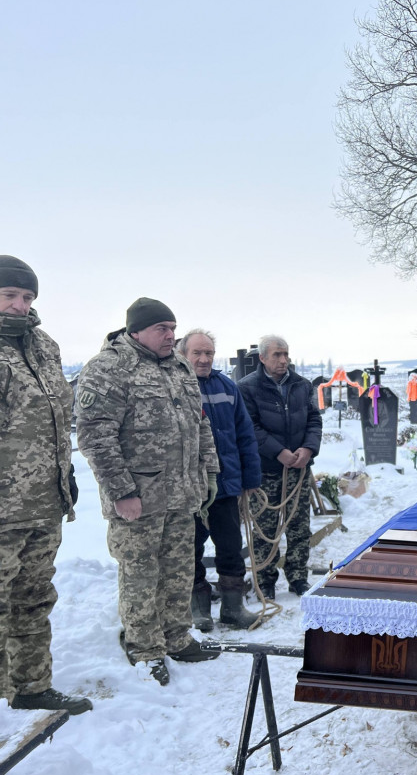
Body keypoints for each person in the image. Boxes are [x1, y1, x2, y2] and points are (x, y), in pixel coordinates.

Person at [78, 298, 221, 686]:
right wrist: (122, 491)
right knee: (141, 572)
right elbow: (95, 436)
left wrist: (208, 471)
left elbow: (199, 424)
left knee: (178, 569)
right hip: (138, 498)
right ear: (136, 330)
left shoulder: (178, 367)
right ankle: (144, 647)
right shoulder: (109, 367)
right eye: (162, 328)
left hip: (180, 493)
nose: (171, 335)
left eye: (173, 328)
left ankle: (176, 636)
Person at [0, 257, 92, 714]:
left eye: (28, 297)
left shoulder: (43, 345)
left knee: (34, 600)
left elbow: (58, 420)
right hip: (2, 511)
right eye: (10, 296)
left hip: (43, 504)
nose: (20, 306)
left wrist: (66, 475)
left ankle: (31, 687)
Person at [177, 330, 261, 630]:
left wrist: (250, 478)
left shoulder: (227, 386)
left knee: (230, 545)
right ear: (183, 353)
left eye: (209, 353)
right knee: (190, 548)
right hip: (190, 488)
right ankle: (197, 610)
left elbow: (244, 434)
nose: (203, 359)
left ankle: (232, 608)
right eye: (197, 353)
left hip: (226, 485)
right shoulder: (175, 386)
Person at [238, 335, 322, 600]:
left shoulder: (302, 385)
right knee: (265, 528)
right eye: (276, 355)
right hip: (264, 471)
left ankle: (298, 577)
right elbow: (250, 427)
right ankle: (265, 580)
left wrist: (308, 449)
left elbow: (314, 420)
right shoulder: (247, 388)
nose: (283, 360)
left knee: (299, 526)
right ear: (262, 358)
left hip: (298, 469)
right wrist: (279, 452)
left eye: (286, 354)